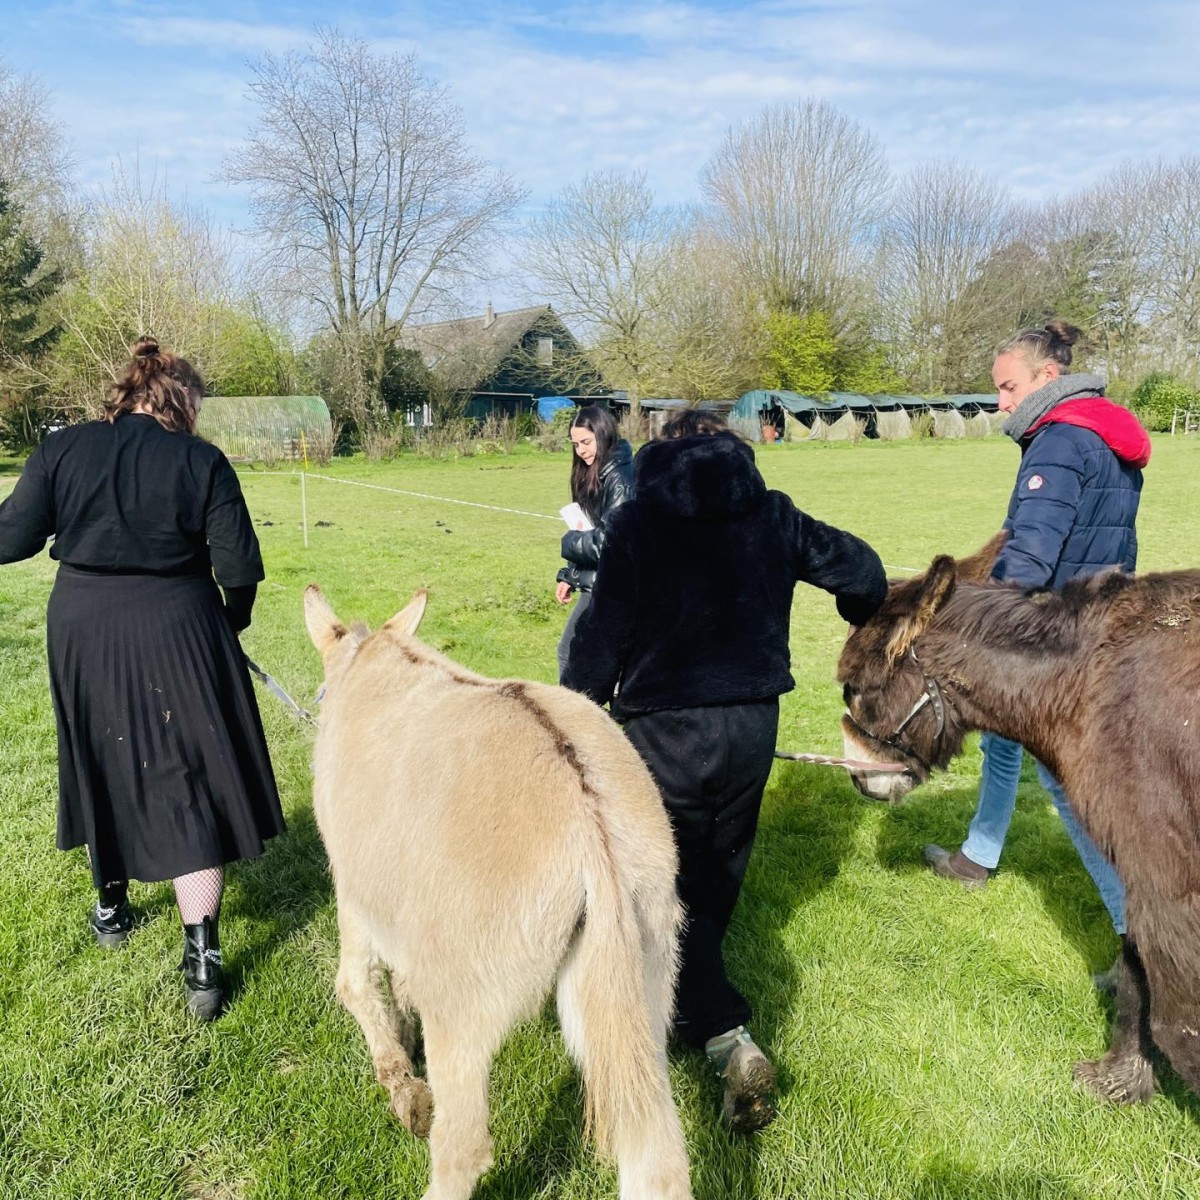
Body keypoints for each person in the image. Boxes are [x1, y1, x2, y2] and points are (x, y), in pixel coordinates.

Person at [562, 409, 887, 1132]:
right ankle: (703, 1009)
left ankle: (720, 1029)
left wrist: (572, 716)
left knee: (660, 885)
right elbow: (862, 569)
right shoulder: (771, 512)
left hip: (661, 729)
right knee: (715, 865)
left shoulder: (641, 522)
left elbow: (600, 634)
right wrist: (859, 605)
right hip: (751, 724)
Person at [0, 337, 285, 1021]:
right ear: (181, 398)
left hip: (82, 624)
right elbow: (238, 572)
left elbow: (11, 540)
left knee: (100, 757)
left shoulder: (64, 449)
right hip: (179, 624)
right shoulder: (201, 460)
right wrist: (226, 626)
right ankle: (202, 958)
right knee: (188, 776)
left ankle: (110, 907)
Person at [924, 321, 1150, 959]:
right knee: (1001, 735)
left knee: (1065, 784)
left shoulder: (1057, 442)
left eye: (1007, 387)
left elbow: (1029, 557)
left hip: (1052, 636)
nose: (1001, 402)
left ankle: (1140, 935)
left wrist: (974, 618)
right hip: (1096, 622)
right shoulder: (1104, 434)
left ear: (1047, 379)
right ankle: (980, 853)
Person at [553, 404, 633, 680]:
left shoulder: (620, 480)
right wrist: (569, 575)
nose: (581, 451)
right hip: (597, 580)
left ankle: (566, 720)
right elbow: (585, 527)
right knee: (589, 658)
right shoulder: (591, 473)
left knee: (570, 653)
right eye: (575, 444)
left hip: (615, 585)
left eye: (586, 442)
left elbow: (606, 543)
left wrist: (570, 542)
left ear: (603, 434)